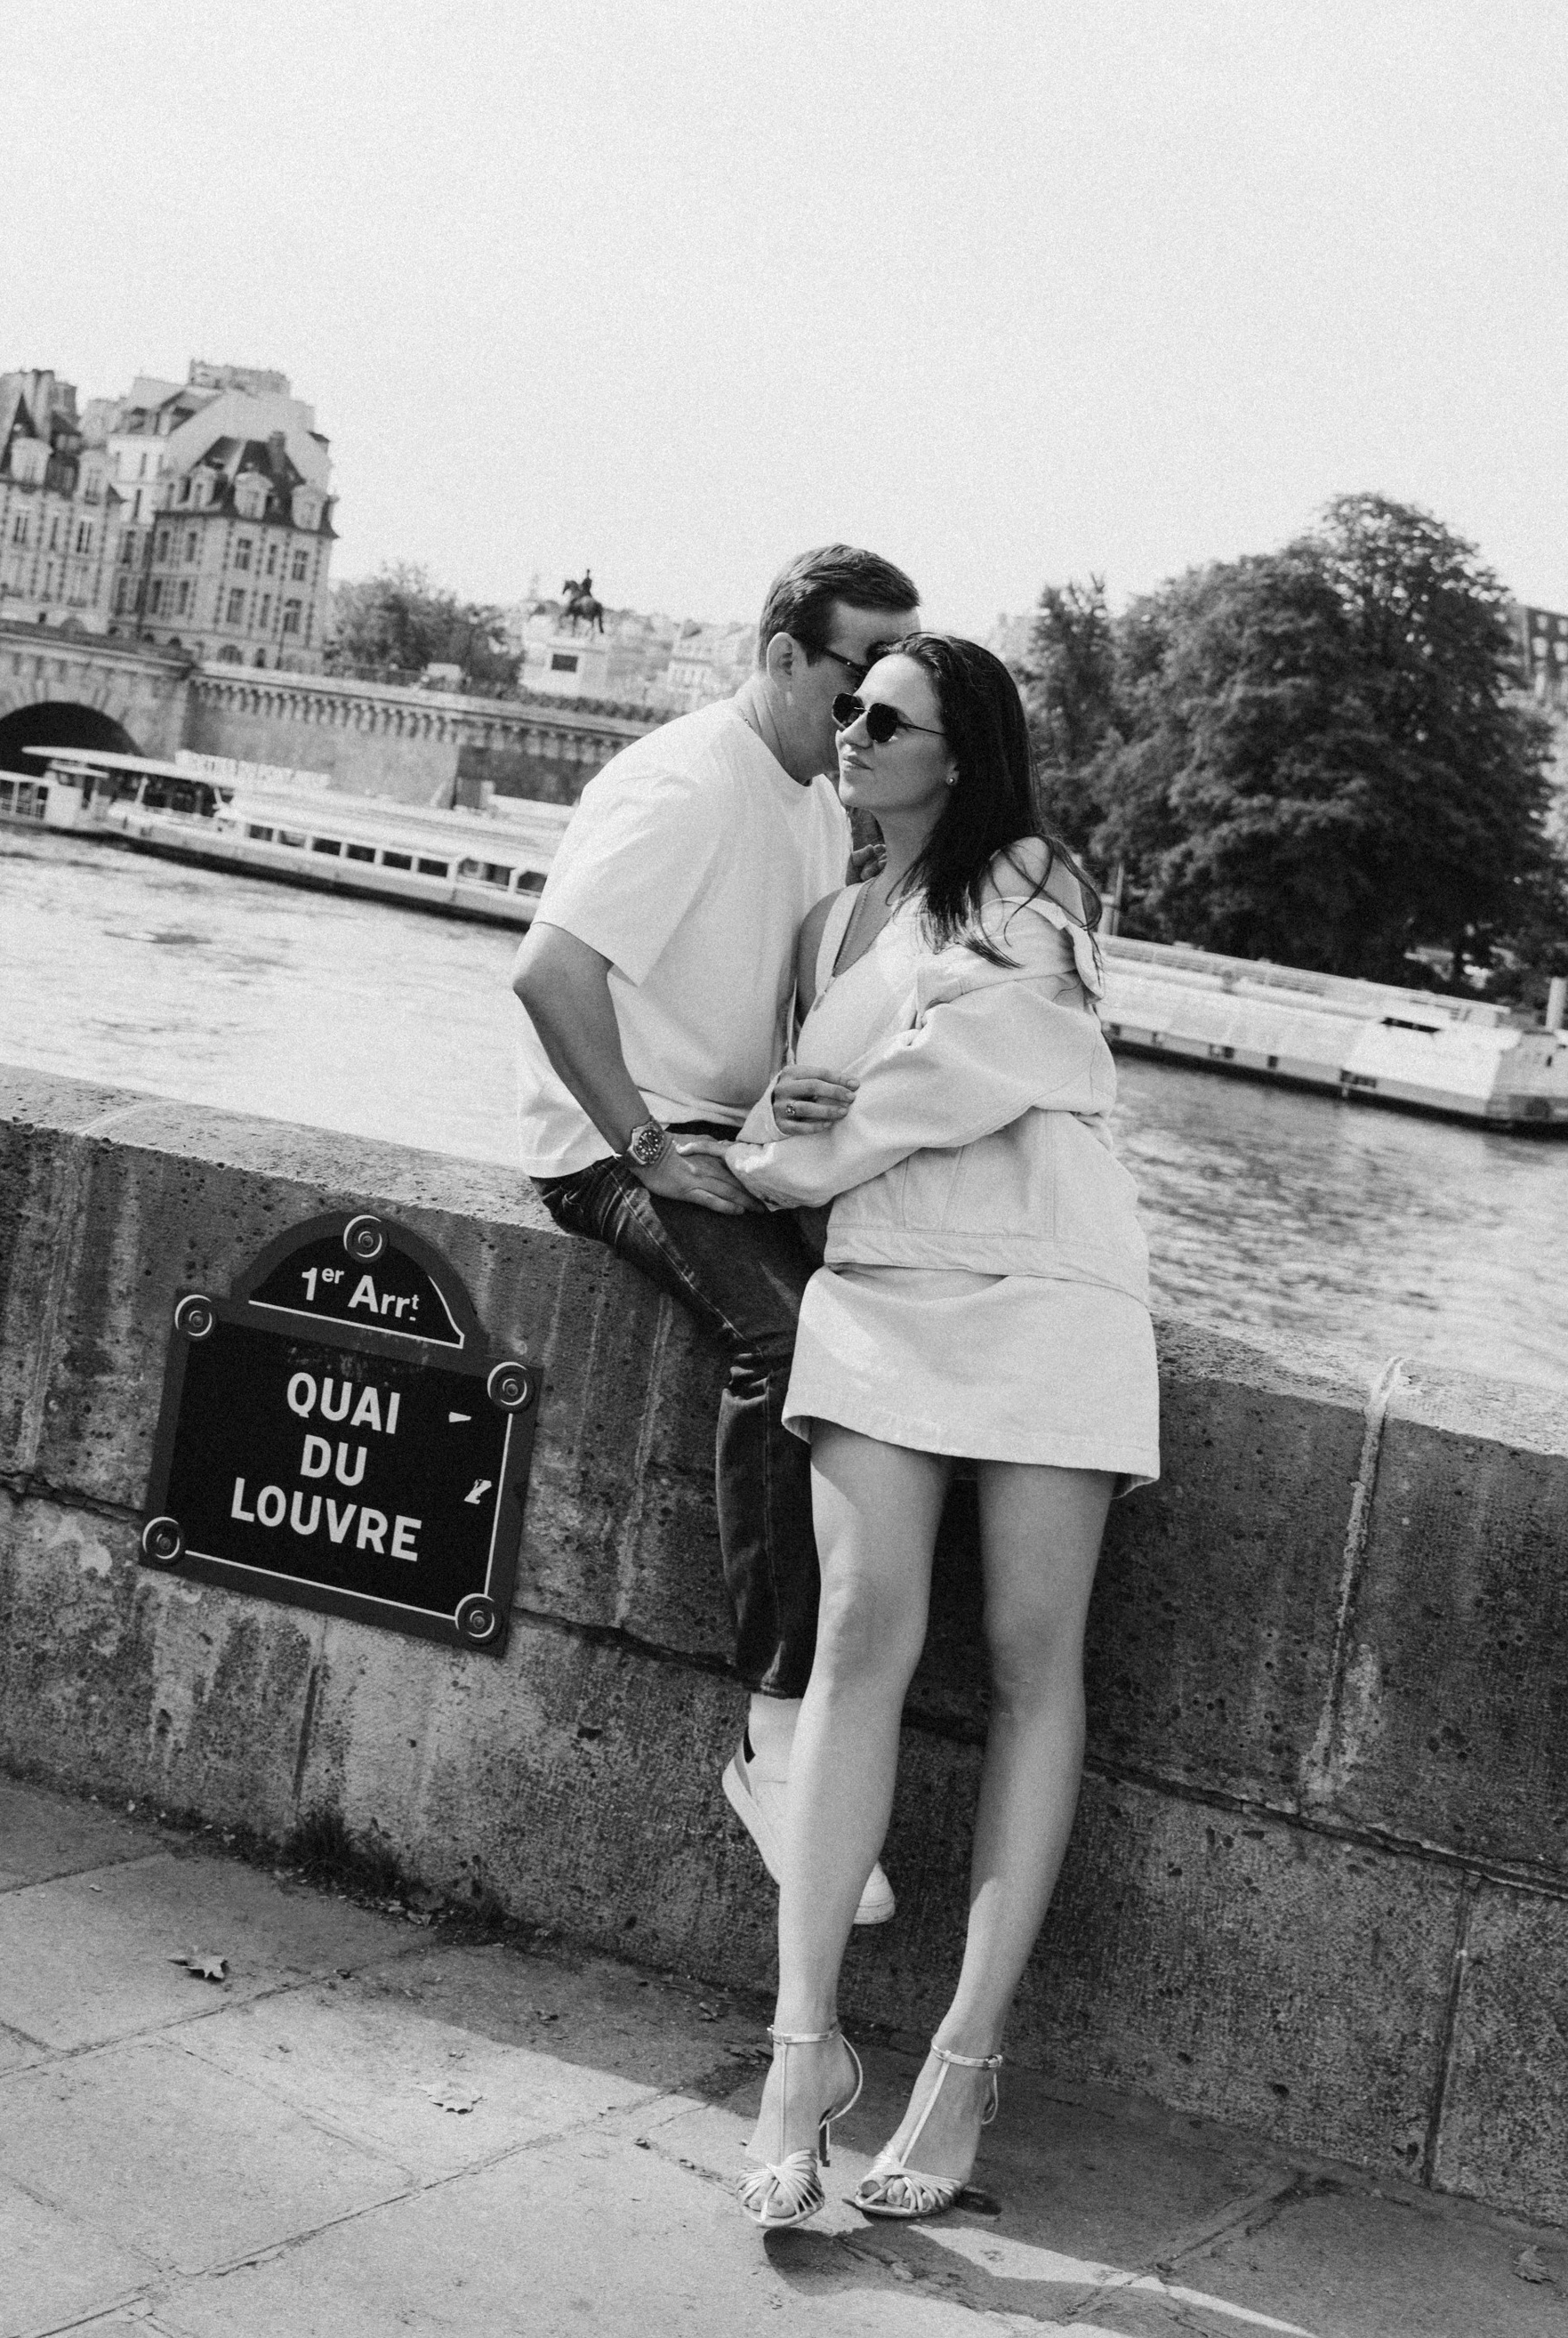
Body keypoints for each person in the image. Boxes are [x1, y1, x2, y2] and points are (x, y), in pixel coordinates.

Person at [718, 634, 1158, 2235]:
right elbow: (810, 1097)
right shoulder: (839, 916)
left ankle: (965, 2058)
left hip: (1047, 1276)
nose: (848, 730)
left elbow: (986, 1061)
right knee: (857, 1633)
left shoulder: (1037, 878)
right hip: (890, 1276)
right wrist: (802, 1126)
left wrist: (791, 1145)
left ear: (958, 752)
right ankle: (798, 2054)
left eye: (882, 717)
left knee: (1039, 1660)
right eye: (843, 706)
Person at [511, 544, 921, 1913]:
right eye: (859, 678)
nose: (871, 715)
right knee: (792, 1342)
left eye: (893, 695)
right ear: (783, 651)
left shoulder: (813, 799)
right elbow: (549, 969)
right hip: (612, 1148)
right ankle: (775, 1730)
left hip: (724, 1136)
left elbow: (758, 995)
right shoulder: (687, 781)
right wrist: (645, 1146)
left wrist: (795, 1085)